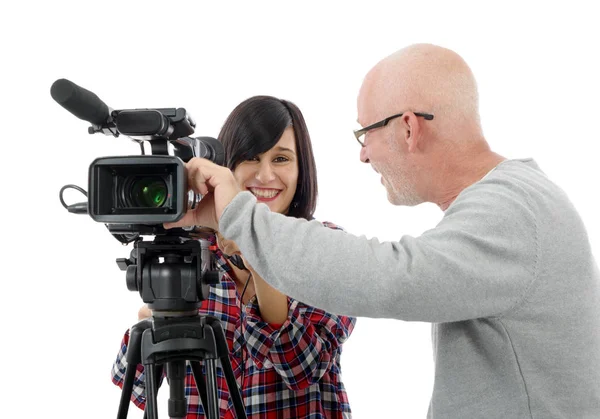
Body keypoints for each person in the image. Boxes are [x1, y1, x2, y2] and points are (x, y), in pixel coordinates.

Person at [166, 44, 600, 418]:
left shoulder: (510, 210)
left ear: (408, 127)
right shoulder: (511, 201)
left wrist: (239, 218)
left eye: (365, 134)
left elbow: (391, 277)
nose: (363, 155)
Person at [112, 95, 356, 418]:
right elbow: (140, 390)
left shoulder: (327, 248)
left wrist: (251, 243)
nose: (265, 176)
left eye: (281, 159)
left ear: (302, 168)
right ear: (228, 167)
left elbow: (303, 367)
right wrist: (154, 324)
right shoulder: (192, 253)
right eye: (251, 158)